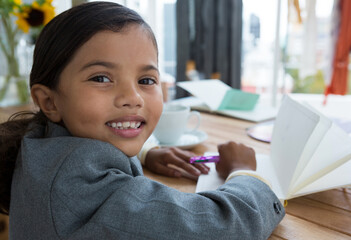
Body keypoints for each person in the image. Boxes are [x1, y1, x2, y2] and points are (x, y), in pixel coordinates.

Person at [0, 2, 284, 239]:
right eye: (101, 78)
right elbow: (224, 228)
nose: (132, 97)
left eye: (146, 80)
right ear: (49, 101)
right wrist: (245, 173)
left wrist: (146, 153)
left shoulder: (40, 141)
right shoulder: (84, 189)